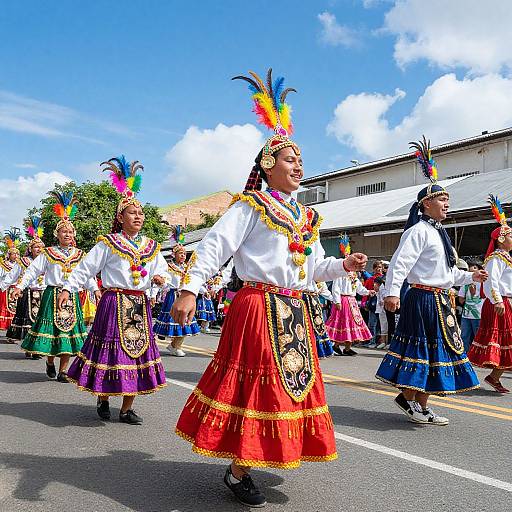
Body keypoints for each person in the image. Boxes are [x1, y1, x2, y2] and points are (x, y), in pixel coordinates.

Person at [171, 69, 368, 508]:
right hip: (258, 306)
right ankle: (239, 467)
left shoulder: (308, 217)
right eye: (290, 160)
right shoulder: (251, 206)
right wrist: (189, 288)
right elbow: (214, 245)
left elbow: (314, 267)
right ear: (267, 166)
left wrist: (343, 264)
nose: (299, 166)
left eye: (301, 160)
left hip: (295, 311)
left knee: (289, 384)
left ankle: (256, 455)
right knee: (259, 387)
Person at [375, 136, 487, 425]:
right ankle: (408, 398)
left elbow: (447, 274)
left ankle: (421, 405)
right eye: (442, 199)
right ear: (426, 204)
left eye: (448, 199)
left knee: (437, 353)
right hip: (422, 298)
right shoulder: (419, 231)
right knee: (422, 351)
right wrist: (391, 292)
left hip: (439, 299)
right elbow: (400, 263)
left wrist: (470, 276)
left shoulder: (441, 235)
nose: (447, 204)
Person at [59, 156, 169, 424]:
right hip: (113, 302)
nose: (139, 216)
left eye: (141, 213)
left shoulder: (151, 246)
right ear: (120, 217)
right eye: (133, 213)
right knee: (112, 352)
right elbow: (85, 268)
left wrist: (160, 280)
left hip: (138, 306)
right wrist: (67, 288)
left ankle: (127, 408)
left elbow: (164, 271)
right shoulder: (108, 244)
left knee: (136, 352)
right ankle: (104, 397)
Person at [12, 193, 98, 382]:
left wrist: (95, 290)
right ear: (56, 234)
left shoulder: (80, 255)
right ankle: (50, 361)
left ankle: (64, 370)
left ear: (74, 234)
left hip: (72, 296)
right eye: (63, 231)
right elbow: (32, 271)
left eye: (70, 232)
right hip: (52, 295)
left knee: (68, 332)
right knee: (53, 333)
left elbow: (86, 274)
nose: (67, 234)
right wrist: (20, 286)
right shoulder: (48, 253)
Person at [468, 196, 512, 393]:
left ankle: (494, 377)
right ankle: (464, 373)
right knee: (497, 342)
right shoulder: (496, 257)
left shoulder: (506, 257)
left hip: (505, 301)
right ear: (502, 239)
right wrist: (497, 301)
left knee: (506, 342)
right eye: (511, 235)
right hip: (498, 302)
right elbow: (492, 281)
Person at [2, 219, 45, 354]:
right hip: (27, 295)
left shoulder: (48, 261)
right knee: (28, 323)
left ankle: (37, 348)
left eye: (41, 247)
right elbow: (11, 276)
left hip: (44, 294)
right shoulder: (23, 262)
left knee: (41, 323)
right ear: (30, 249)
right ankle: (30, 347)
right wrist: (2, 286)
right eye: (36, 247)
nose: (39, 249)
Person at [325, 234, 373, 356]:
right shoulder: (341, 271)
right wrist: (337, 301)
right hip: (343, 300)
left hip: (351, 301)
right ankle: (335, 345)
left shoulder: (354, 274)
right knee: (341, 323)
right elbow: (336, 287)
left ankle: (347, 347)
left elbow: (358, 287)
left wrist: (368, 292)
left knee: (352, 323)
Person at [154, 242, 200, 357]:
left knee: (186, 321)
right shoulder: (168, 267)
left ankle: (175, 345)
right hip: (173, 295)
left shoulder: (188, 268)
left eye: (184, 254)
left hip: (185, 296)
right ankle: (172, 345)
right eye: (180, 253)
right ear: (174, 255)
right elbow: (163, 279)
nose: (183, 256)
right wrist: (156, 291)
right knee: (173, 320)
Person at [457, 261, 483, 352]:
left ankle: (477, 357)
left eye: (475, 267)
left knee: (478, 337)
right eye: (470, 267)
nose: (472, 268)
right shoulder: (465, 283)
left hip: (479, 314)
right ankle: (465, 356)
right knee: (465, 336)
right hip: (466, 314)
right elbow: (460, 299)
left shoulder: (483, 283)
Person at [0, 229, 22, 333]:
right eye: (13, 254)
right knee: (7, 307)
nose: (16, 256)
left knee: (16, 308)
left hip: (16, 288)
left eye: (17, 254)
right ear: (9, 255)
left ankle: (13, 326)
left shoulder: (20, 265)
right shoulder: (3, 265)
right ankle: (5, 325)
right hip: (6, 289)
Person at [375, 276, 388, 349]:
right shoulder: (379, 289)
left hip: (384, 310)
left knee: (385, 325)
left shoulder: (383, 289)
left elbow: (384, 299)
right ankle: (383, 342)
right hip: (381, 310)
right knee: (382, 325)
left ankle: (385, 342)